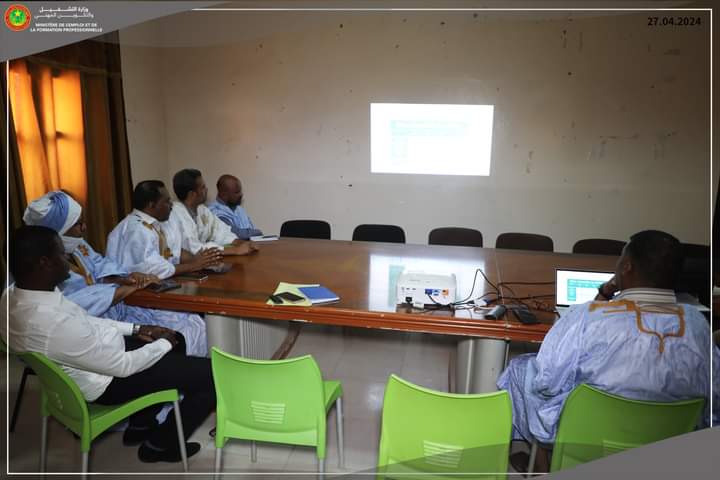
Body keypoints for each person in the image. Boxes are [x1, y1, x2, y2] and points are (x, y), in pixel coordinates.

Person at [497, 230, 711, 470]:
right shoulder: (698, 324)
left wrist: (605, 293)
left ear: (626, 266)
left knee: (521, 370)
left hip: (588, 438)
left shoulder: (587, 316)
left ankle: (541, 467)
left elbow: (547, 381)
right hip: (666, 439)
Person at [2, 226, 215, 463]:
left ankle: (141, 426)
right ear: (44, 263)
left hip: (95, 359)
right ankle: (160, 445)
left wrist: (138, 329)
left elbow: (85, 321)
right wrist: (164, 343)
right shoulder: (52, 323)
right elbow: (123, 366)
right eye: (62, 254)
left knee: (177, 341)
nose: (68, 260)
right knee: (212, 375)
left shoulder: (11, 297)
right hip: (107, 382)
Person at [23, 191, 209, 357]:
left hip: (112, 312)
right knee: (175, 335)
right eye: (78, 224)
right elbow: (75, 303)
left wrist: (126, 277)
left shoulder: (78, 247)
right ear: (58, 230)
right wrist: (128, 288)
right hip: (90, 331)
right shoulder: (42, 271)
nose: (84, 228)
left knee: (190, 322)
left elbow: (100, 264)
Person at [106, 180, 223, 280]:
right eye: (167, 201)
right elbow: (155, 269)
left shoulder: (152, 223)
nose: (171, 205)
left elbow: (173, 252)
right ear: (151, 205)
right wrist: (195, 265)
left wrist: (201, 261)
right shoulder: (137, 230)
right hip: (134, 294)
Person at [166, 169, 257, 256]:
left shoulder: (202, 210)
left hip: (203, 262)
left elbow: (220, 231)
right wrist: (235, 250)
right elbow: (194, 249)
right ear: (192, 194)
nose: (206, 189)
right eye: (203, 187)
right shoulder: (176, 214)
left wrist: (242, 243)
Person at [208, 174, 262, 240]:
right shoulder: (214, 212)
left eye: (240, 191)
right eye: (237, 192)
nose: (241, 194)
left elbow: (251, 232)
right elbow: (236, 234)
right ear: (223, 194)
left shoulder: (239, 209)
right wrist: (258, 232)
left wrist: (253, 233)